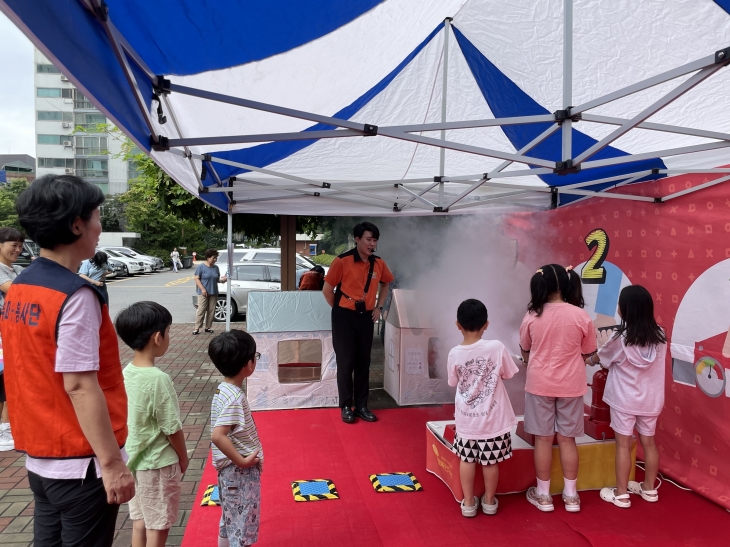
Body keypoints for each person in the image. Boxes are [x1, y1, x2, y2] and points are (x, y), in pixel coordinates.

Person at [1, 174, 134, 547]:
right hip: (80, 462)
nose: (100, 225)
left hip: (40, 455)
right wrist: (112, 465)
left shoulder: (22, 286)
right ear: (76, 224)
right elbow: (79, 384)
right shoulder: (74, 295)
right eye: (95, 215)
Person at [519, 264, 596, 513]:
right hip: (571, 385)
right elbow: (588, 351)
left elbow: (525, 349)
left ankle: (543, 496)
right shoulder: (580, 316)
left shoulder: (532, 315)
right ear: (565, 284)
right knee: (567, 439)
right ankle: (571, 496)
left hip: (539, 383)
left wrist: (531, 360)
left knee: (542, 439)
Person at [116, 301, 189, 546]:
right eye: (168, 331)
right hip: (158, 463)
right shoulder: (159, 379)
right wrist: (183, 456)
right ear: (158, 337)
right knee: (159, 524)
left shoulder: (125, 372)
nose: (169, 337)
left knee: (140, 521)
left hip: (134, 461)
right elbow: (172, 428)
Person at [591, 285, 667, 509]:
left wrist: (588, 359)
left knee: (623, 446)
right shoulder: (660, 335)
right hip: (651, 400)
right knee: (649, 443)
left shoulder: (620, 338)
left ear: (625, 310)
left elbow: (601, 358)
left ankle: (622, 494)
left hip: (624, 399)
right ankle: (649, 488)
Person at [447, 299, 519, 518]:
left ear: (457, 324)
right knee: (490, 462)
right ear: (486, 324)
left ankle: (468, 503)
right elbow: (508, 373)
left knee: (467, 460)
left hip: (467, 420)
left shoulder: (454, 353)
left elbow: (453, 382)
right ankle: (489, 502)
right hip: (493, 420)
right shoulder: (496, 347)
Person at [323, 222, 394, 423]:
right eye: (368, 239)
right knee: (346, 362)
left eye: (375, 240)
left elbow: (386, 284)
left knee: (364, 362)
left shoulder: (378, 263)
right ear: (357, 239)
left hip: (366, 317)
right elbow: (327, 291)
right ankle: (346, 405)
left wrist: (379, 307)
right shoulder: (342, 261)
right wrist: (340, 310)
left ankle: (362, 405)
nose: (372, 244)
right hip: (343, 317)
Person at [208, 330, 263, 547]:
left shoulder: (224, 390)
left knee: (230, 518)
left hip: (229, 472)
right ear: (248, 365)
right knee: (242, 524)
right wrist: (242, 461)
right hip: (239, 473)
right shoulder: (235, 399)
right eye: (255, 357)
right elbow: (217, 435)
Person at [0, 227, 25, 452]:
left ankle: (8, 428)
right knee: (7, 381)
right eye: (13, 245)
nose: (17, 249)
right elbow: (14, 291)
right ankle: (5, 430)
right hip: (2, 334)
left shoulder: (17, 268)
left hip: (15, 331)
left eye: (20, 245)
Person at [193, 249, 228, 335]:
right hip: (203, 292)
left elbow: (216, 280)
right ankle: (197, 328)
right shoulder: (201, 267)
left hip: (214, 292)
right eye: (214, 258)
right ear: (208, 257)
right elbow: (196, 278)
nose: (215, 260)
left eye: (216, 258)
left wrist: (223, 280)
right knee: (201, 310)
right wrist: (202, 289)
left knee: (211, 310)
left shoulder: (216, 268)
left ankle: (208, 327)